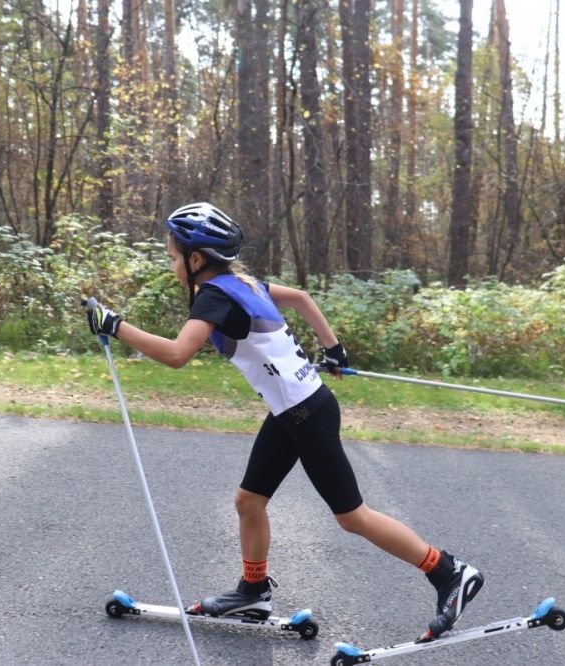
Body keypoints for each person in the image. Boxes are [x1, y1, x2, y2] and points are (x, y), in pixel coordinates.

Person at [85, 202, 483, 640]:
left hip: (307, 415)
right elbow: (301, 298)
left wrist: (115, 324)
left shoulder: (216, 294)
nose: (172, 264)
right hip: (293, 411)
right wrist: (332, 347)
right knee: (248, 501)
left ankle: (449, 572)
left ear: (196, 259)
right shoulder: (242, 282)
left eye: (173, 256)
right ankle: (253, 591)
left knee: (353, 516)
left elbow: (178, 355)